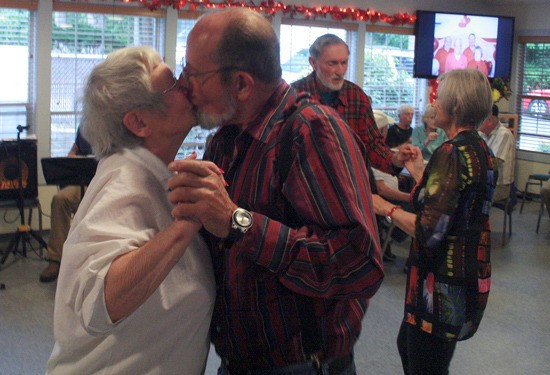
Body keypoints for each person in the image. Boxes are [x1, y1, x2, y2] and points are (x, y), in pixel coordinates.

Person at [168, 8, 384, 374]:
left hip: (301, 365)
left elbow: (358, 263)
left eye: (193, 74)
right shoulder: (225, 138)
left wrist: (239, 224)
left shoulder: (312, 132)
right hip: (237, 360)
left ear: (241, 84)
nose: (184, 84)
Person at [46, 46, 215, 374]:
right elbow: (99, 303)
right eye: (174, 85)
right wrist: (186, 224)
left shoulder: (151, 174)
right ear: (139, 122)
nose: (188, 85)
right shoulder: (124, 182)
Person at [372, 69, 496, 374]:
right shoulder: (479, 149)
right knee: (411, 347)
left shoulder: (451, 152)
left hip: (440, 283)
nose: (434, 103)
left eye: (439, 97)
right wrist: (418, 171)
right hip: (463, 275)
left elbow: (429, 230)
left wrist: (382, 207)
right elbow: (450, 205)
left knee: (424, 363)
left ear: (454, 106)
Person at [291, 33, 415, 175]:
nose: (340, 71)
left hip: (348, 180)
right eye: (332, 63)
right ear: (313, 63)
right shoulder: (294, 95)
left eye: (344, 63)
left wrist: (394, 159)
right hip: (305, 183)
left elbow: (371, 145)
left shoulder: (356, 96)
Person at [39, 127, 93, 283]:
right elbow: (76, 148)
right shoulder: (85, 126)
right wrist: (71, 156)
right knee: (60, 199)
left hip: (105, 180)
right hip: (83, 181)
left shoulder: (116, 123)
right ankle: (55, 259)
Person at [479, 104, 516, 202]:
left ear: (489, 121)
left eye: (480, 119)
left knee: (471, 199)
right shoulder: (481, 134)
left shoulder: (504, 134)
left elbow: (494, 162)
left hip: (499, 186)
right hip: (483, 182)